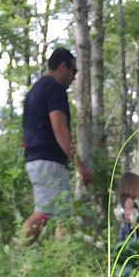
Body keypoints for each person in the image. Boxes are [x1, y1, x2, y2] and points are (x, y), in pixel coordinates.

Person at [19, 47, 92, 244]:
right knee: (46, 213)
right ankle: (16, 253)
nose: (74, 78)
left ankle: (64, 262)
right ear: (63, 67)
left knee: (59, 214)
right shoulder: (54, 88)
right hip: (48, 162)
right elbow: (60, 128)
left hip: (37, 160)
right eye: (73, 72)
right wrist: (79, 165)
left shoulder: (35, 90)